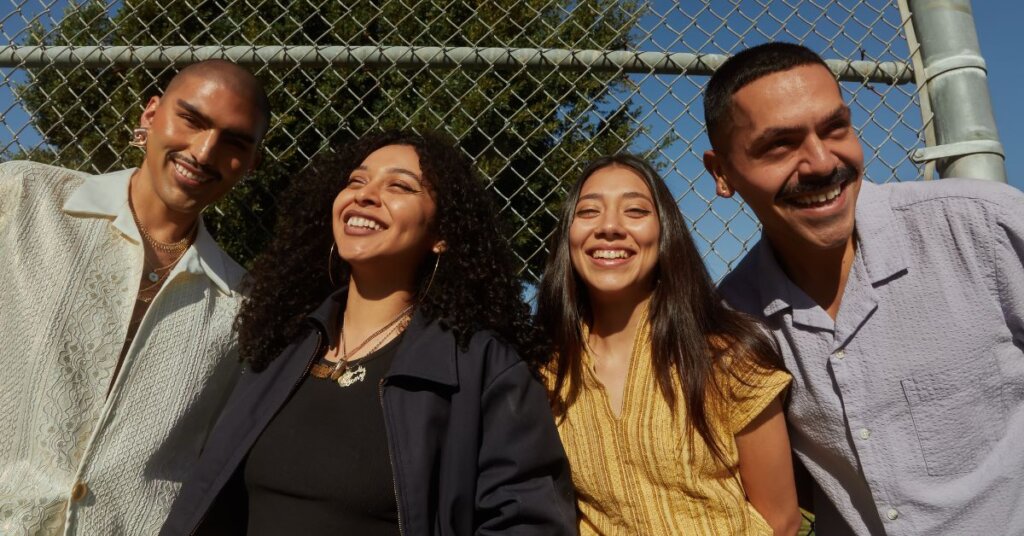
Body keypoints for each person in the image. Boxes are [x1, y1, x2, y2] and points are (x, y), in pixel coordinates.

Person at [159, 130, 576, 535]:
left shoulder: (483, 367)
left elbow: (528, 521)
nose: (365, 194)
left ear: (442, 235)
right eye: (356, 180)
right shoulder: (280, 346)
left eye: (400, 186)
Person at [706, 42, 1024, 535]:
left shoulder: (984, 227)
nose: (819, 162)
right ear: (721, 174)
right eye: (780, 146)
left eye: (835, 129)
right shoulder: (733, 321)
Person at [0, 60, 269, 534]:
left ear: (251, 163)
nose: (204, 152)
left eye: (234, 141)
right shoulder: (23, 199)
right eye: (192, 119)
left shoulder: (242, 308)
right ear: (150, 116)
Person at [536, 154, 801, 535]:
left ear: (665, 233)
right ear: (568, 235)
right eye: (588, 211)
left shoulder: (728, 357)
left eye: (635, 210)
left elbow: (782, 521)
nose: (609, 226)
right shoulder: (545, 373)